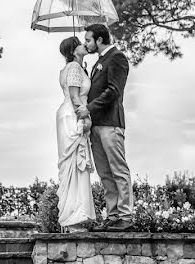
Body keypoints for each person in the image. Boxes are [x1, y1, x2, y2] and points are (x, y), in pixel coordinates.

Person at [77, 23, 132, 231]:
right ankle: (113, 216)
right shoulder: (98, 62)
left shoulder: (117, 58)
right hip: (96, 125)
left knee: (119, 170)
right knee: (105, 173)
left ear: (100, 40)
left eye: (88, 40)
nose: (86, 43)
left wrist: (88, 108)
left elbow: (113, 91)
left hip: (111, 123)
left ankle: (126, 217)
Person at [55, 36, 96, 232]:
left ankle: (76, 214)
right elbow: (74, 95)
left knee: (76, 165)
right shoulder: (73, 67)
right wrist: (85, 116)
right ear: (73, 50)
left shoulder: (76, 67)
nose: (85, 45)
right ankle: (74, 216)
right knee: (75, 164)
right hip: (73, 114)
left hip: (70, 112)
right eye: (80, 43)